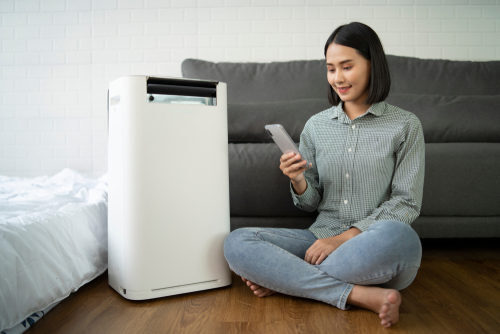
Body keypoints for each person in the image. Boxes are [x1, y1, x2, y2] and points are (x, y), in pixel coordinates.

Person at [223, 22, 425, 328]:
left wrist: (343, 239)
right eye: (331, 69)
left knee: (401, 237)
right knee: (237, 242)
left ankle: (286, 279)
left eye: (347, 67)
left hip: (371, 244)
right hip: (318, 239)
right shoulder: (316, 126)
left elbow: (406, 203)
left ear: (373, 65)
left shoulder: (405, 125)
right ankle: (359, 294)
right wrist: (298, 180)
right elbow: (309, 203)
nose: (338, 78)